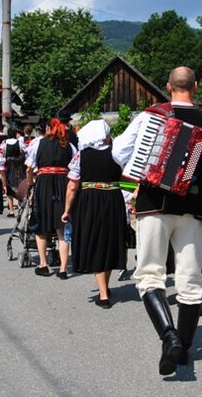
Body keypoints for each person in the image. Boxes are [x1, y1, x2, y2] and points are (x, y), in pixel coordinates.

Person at [112, 67, 202, 375]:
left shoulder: (151, 117)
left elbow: (120, 151)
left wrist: (144, 167)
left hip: (153, 206)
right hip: (193, 210)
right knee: (190, 280)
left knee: (149, 274)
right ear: (196, 87)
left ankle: (169, 336)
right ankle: (184, 349)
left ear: (167, 87)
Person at [62, 120, 127, 309]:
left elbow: (72, 186)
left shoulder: (81, 156)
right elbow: (128, 177)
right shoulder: (117, 154)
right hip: (113, 200)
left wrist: (67, 211)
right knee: (108, 241)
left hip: (90, 201)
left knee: (97, 242)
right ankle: (104, 287)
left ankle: (104, 294)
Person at [26, 118, 77, 279]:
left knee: (40, 226)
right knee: (62, 228)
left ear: (48, 129)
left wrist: (30, 184)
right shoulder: (70, 146)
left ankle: (43, 264)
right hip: (63, 184)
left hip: (44, 184)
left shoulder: (38, 143)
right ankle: (62, 269)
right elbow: (76, 167)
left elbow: (29, 167)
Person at [0, 128, 27, 217]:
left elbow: (1, 154)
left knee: (8, 186)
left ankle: (11, 211)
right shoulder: (19, 142)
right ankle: (20, 207)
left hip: (7, 165)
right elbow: (26, 151)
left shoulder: (4, 143)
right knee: (19, 185)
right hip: (18, 166)